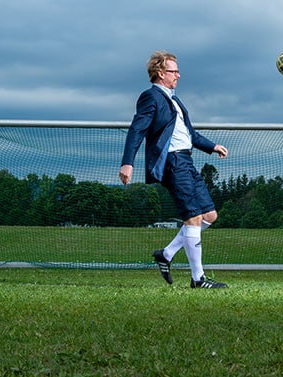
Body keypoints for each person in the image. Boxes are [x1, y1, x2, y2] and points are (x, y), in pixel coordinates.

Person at [119, 50, 228, 289]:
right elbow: (137, 130)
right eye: (173, 71)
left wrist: (212, 147)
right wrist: (128, 162)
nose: (178, 75)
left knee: (209, 216)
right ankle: (198, 279)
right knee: (192, 217)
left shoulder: (175, 100)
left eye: (178, 70)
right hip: (172, 162)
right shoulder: (151, 97)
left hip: (186, 161)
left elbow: (189, 134)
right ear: (160, 73)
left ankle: (166, 254)